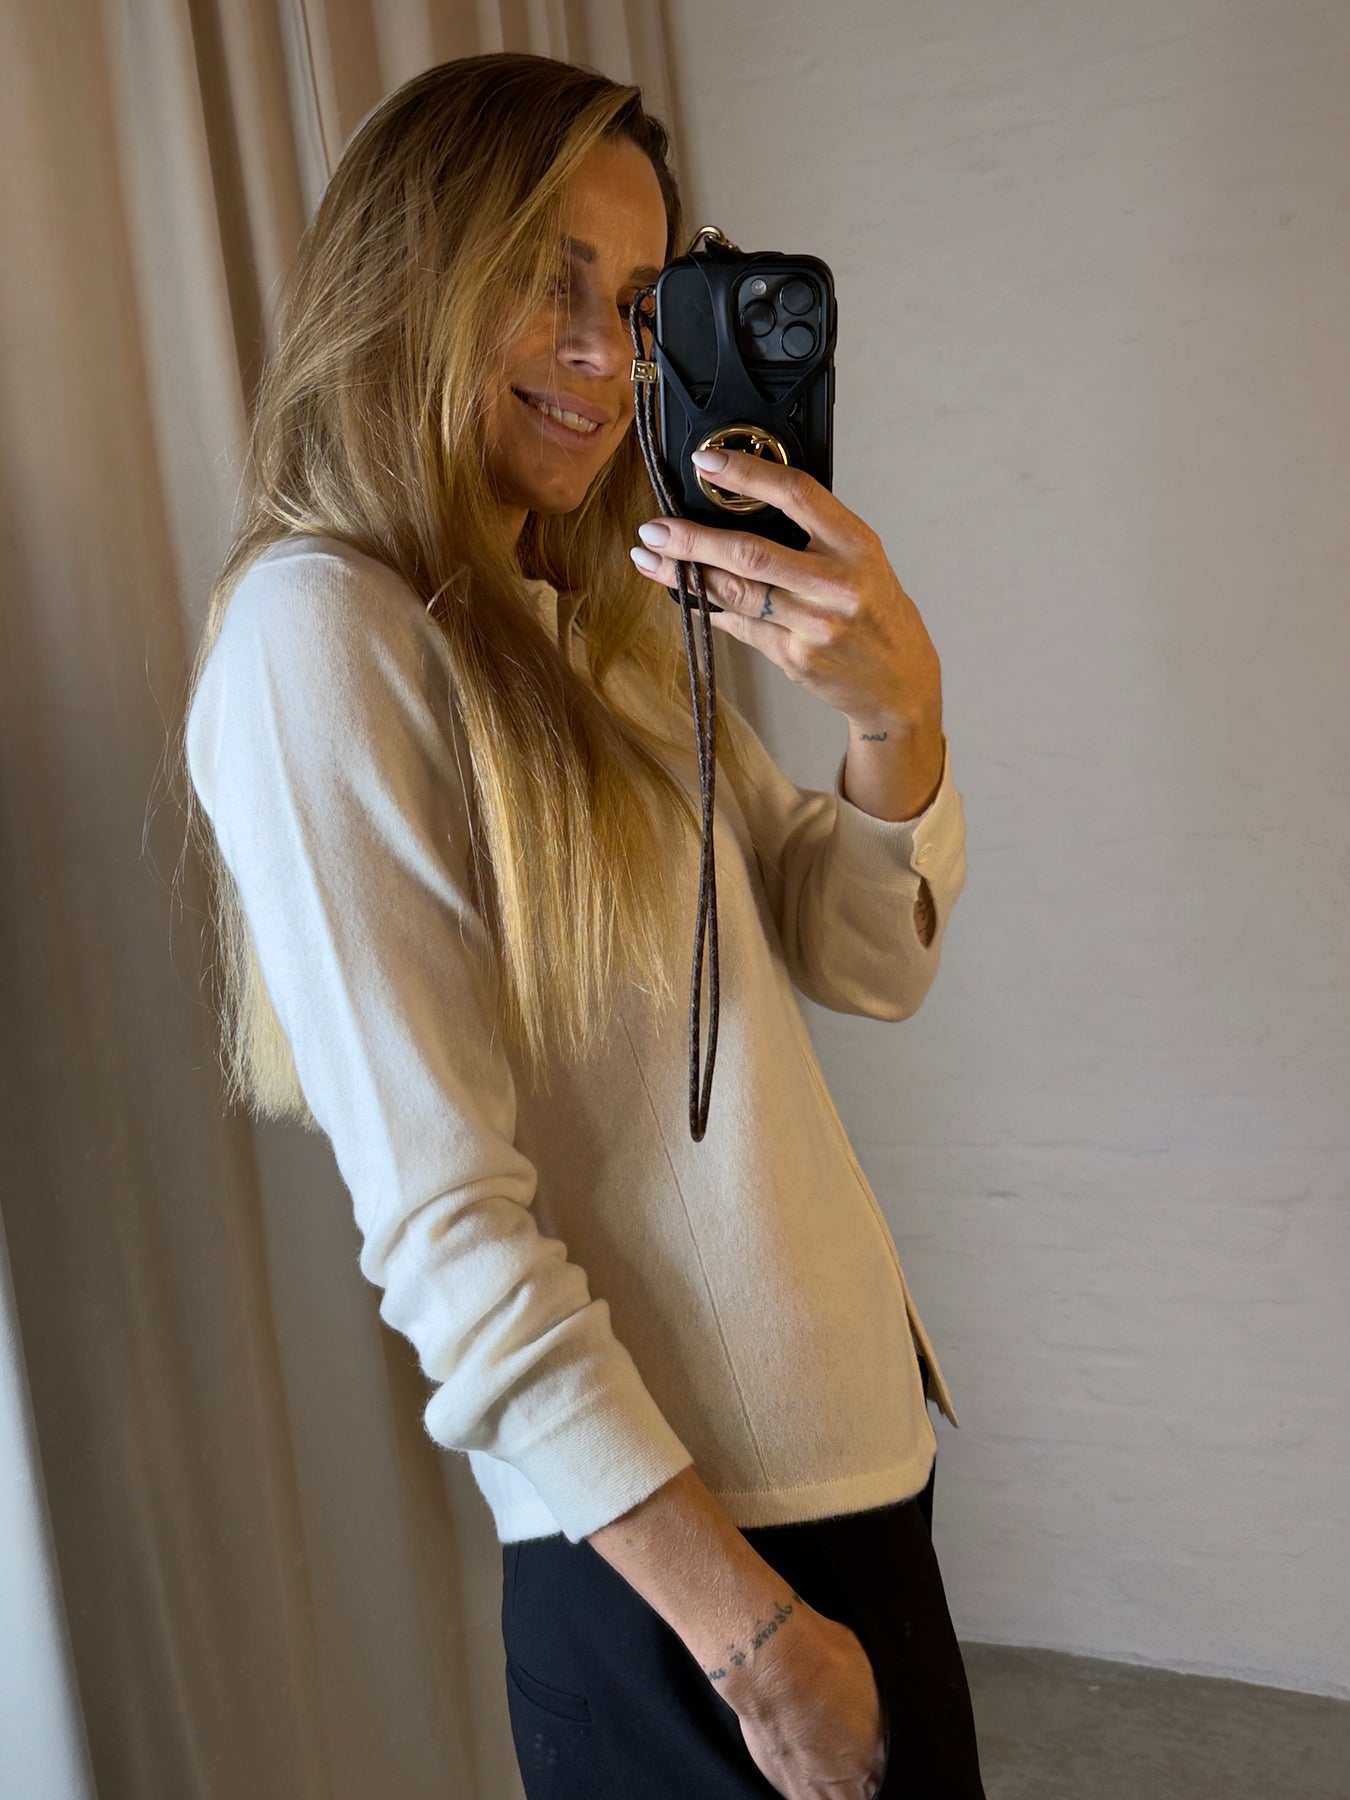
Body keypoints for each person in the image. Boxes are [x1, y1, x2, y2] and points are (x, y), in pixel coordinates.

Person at [180, 51, 985, 1800]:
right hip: (689, 1572)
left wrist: (894, 714)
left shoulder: (598, 624)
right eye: (547, 281)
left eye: (636, 304)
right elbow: (444, 1231)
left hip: (847, 1486)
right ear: (412, 272)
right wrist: (748, 1643)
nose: (603, 357)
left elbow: (863, 958)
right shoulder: (323, 634)